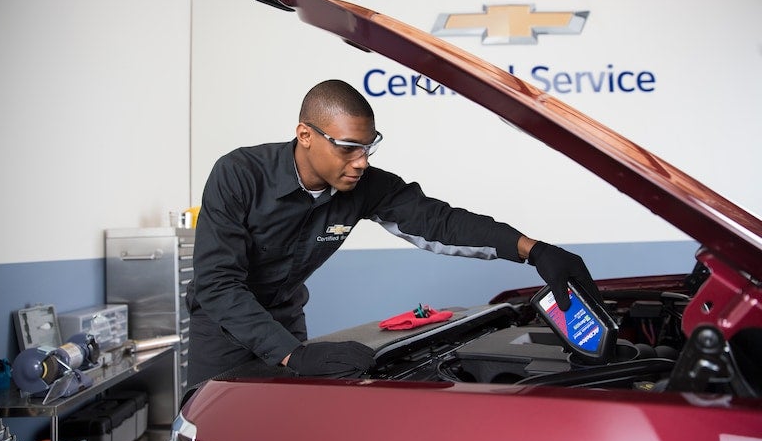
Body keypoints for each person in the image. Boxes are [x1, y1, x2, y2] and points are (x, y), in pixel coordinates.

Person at [186, 79, 600, 386]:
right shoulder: (239, 175)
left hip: (286, 316)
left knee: (287, 425)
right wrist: (291, 354)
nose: (362, 162)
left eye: (369, 146)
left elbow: (439, 222)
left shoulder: (364, 185)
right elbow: (218, 284)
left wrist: (533, 250)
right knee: (215, 426)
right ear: (305, 135)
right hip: (223, 327)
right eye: (348, 147)